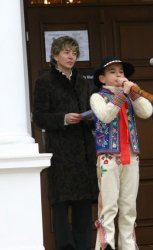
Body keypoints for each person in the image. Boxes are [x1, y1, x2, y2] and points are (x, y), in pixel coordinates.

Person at [32, 36, 98, 250]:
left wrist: (90, 117)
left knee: (83, 205)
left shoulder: (84, 82)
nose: (71, 57)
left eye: (74, 53)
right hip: (60, 151)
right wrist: (63, 118)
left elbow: (94, 112)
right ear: (55, 55)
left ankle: (83, 246)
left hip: (84, 150)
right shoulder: (45, 81)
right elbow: (39, 117)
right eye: (66, 52)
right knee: (60, 205)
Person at [90, 56, 153, 250]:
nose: (118, 75)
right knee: (109, 207)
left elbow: (147, 112)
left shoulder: (129, 95)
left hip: (131, 157)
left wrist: (133, 94)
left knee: (128, 207)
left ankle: (128, 246)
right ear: (102, 79)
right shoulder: (97, 97)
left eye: (121, 72)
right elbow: (106, 116)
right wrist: (121, 95)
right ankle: (105, 246)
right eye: (112, 72)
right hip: (108, 158)